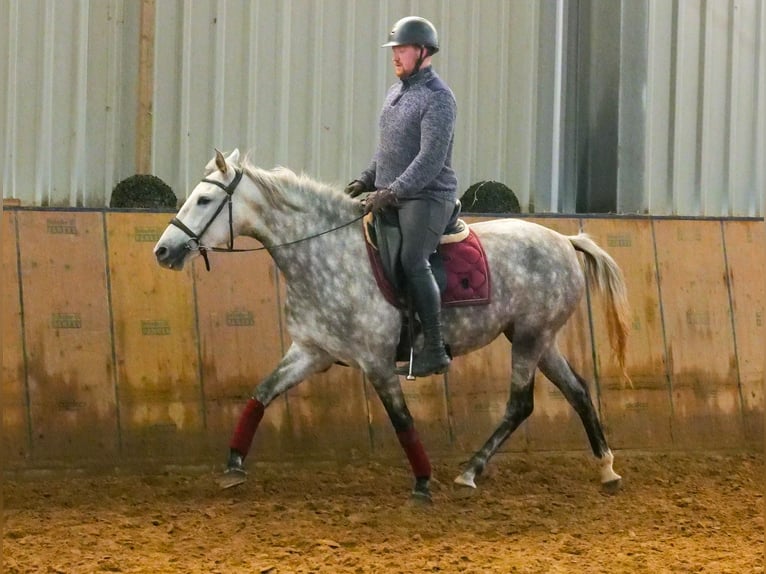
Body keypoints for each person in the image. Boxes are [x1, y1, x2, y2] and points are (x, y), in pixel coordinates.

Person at [345, 16, 458, 377]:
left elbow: (429, 159)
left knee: (412, 259)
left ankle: (435, 349)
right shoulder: (395, 92)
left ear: (423, 52)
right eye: (394, 49)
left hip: (427, 196)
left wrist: (392, 190)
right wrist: (365, 180)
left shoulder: (439, 99)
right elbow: (389, 149)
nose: (395, 55)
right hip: (391, 194)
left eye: (402, 49)